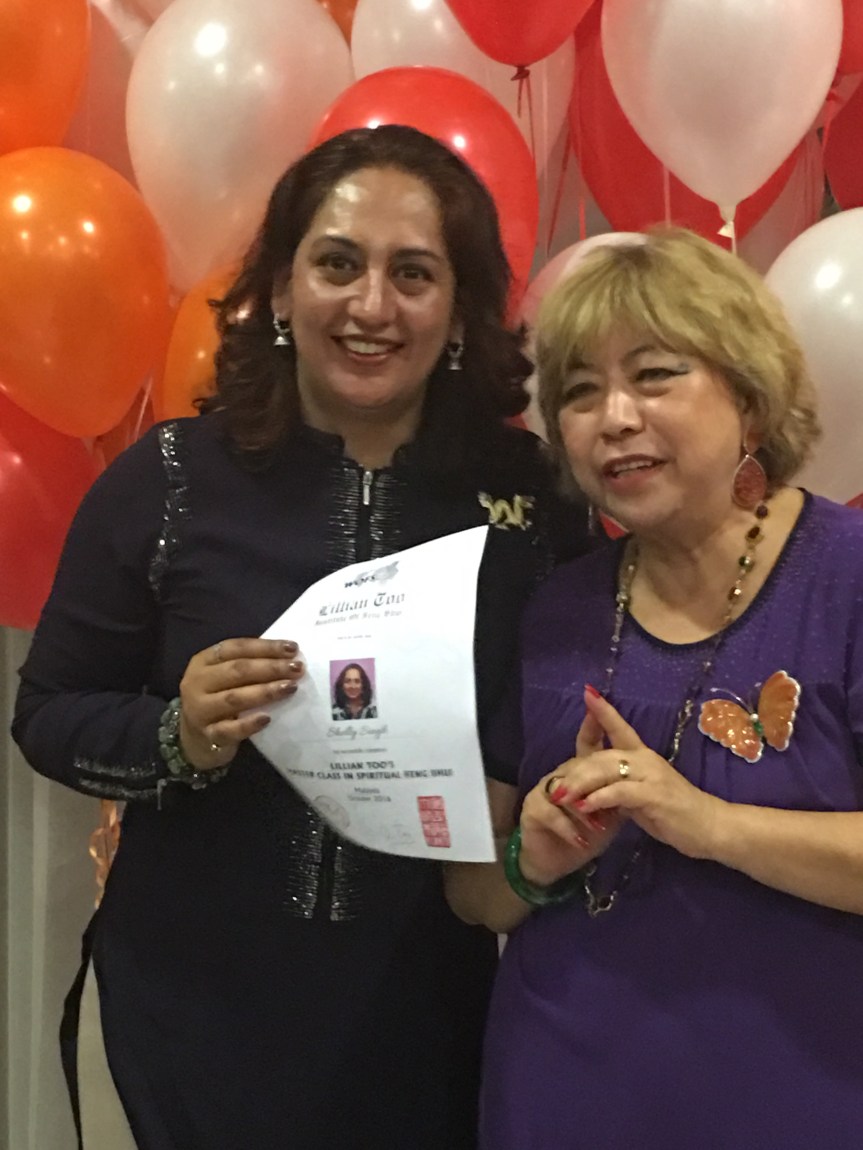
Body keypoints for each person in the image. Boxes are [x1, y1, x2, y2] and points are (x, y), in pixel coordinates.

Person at [11, 125, 590, 1150]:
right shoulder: (171, 479)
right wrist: (176, 736)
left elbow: (564, 720)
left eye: (413, 273)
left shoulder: (532, 503)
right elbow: (47, 714)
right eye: (336, 264)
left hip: (430, 1013)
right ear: (280, 291)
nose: (371, 306)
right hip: (192, 1009)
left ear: (459, 308)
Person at [445, 229, 863, 1149]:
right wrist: (532, 860)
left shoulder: (846, 578)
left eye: (654, 375)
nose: (613, 418)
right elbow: (474, 895)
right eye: (579, 392)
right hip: (558, 1096)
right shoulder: (553, 608)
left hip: (804, 1100)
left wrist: (707, 824)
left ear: (749, 399)